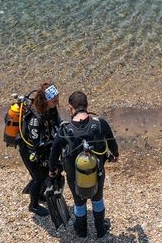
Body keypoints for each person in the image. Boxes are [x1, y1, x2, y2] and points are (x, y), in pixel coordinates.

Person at [49, 91, 119, 238]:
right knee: (97, 198)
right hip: (97, 172)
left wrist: (52, 170)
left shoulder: (64, 129)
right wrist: (114, 156)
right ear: (87, 105)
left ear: (70, 107)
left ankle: (81, 231)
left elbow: (54, 154)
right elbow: (112, 144)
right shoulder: (100, 123)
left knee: (79, 201)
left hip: (74, 176)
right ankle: (100, 229)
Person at [18, 81, 62, 216]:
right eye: (54, 100)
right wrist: (54, 143)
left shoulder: (51, 109)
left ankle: (36, 192)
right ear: (46, 100)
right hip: (29, 149)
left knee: (47, 172)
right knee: (39, 177)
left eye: (57, 99)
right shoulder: (34, 118)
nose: (57, 102)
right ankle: (33, 205)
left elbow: (57, 124)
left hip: (43, 147)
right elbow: (36, 143)